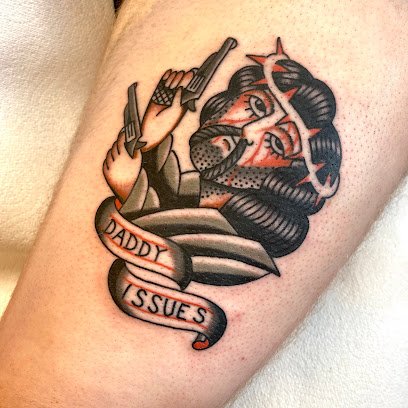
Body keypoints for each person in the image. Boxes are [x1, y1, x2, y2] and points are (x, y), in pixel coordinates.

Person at [1, 0, 407, 406]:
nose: (248, 133)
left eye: (275, 142)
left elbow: (70, 393)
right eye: (257, 106)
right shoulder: (181, 188)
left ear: (283, 175)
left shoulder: (237, 248)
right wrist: (149, 147)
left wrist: (130, 186)